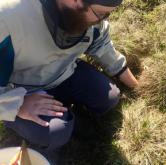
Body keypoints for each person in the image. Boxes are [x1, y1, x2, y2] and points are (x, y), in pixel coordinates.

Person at [0, 0, 138, 163]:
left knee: (109, 97)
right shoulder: (8, 18)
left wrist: (135, 85)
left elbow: (101, 43)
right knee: (54, 133)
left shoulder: (91, 14)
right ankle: (48, 143)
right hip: (23, 91)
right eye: (100, 14)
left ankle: (73, 119)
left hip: (65, 73)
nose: (102, 20)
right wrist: (17, 105)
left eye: (108, 14)